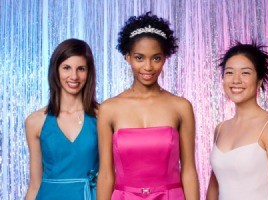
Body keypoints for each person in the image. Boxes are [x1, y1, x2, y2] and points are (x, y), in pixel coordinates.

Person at [96, 12, 199, 199]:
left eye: (156, 58)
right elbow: (105, 175)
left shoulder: (181, 107)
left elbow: (189, 171)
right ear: (127, 57)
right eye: (139, 58)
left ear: (165, 58)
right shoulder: (108, 109)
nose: (148, 67)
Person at [206, 41, 268, 200]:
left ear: (259, 81)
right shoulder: (221, 128)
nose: (236, 80)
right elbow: (214, 187)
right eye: (229, 72)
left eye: (245, 73)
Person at [25, 38, 99, 200]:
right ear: (56, 70)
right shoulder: (35, 121)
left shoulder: (102, 117)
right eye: (66, 68)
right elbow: (35, 184)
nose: (74, 76)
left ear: (89, 73)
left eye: (81, 69)